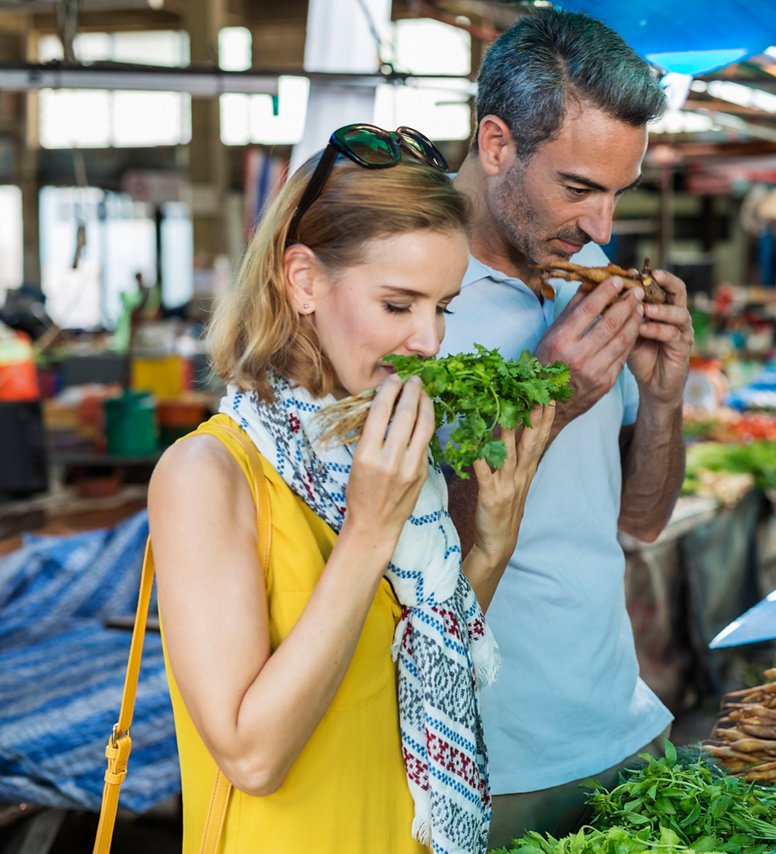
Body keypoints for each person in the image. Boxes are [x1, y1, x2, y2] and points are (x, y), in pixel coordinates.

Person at [148, 125, 554, 853]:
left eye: (443, 307)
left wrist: (489, 548)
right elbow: (252, 756)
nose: (429, 340)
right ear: (303, 280)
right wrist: (368, 531)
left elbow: (411, 666)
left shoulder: (383, 449)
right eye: (399, 305)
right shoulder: (207, 476)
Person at [440, 9, 693, 846]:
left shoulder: (585, 272)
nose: (602, 230)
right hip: (488, 757)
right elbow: (391, 552)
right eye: (579, 187)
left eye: (619, 192)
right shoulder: (406, 296)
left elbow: (642, 521)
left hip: (617, 722)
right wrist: (547, 397)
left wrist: (662, 398)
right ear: (497, 144)